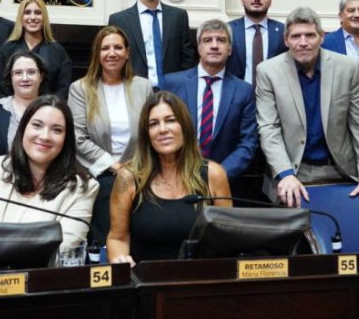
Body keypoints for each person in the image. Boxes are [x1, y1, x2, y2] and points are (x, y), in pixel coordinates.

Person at [256, 7, 359, 216]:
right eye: (296, 36)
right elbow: (269, 128)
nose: (303, 42)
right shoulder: (268, 71)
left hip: (340, 170)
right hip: (292, 170)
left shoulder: (348, 67)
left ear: (321, 37)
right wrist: (285, 174)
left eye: (310, 35)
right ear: (286, 40)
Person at [0, 95, 99, 251]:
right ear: (23, 129)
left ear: (66, 139)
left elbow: (62, 250)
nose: (44, 136)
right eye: (37, 125)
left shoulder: (82, 188)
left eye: (56, 130)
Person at [107, 92, 232, 265]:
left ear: (185, 126)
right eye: (153, 124)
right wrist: (122, 264)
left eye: (171, 120)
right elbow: (117, 238)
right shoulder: (127, 178)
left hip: (200, 278)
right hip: (144, 279)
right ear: (146, 134)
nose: (163, 129)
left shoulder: (214, 174)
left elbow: (226, 239)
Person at [68, 26, 152, 244]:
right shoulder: (80, 89)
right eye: (105, 48)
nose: (112, 53)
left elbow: (150, 133)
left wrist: (134, 169)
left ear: (127, 53)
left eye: (118, 47)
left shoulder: (143, 87)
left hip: (140, 174)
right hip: (100, 176)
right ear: (97, 54)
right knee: (108, 237)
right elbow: (77, 138)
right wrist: (115, 167)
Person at [164, 19, 257, 184]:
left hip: (223, 182)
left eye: (221, 40)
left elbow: (248, 143)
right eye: (208, 40)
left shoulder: (243, 91)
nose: (214, 46)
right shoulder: (172, 84)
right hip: (176, 178)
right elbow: (162, 132)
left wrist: (218, 175)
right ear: (199, 48)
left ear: (230, 49)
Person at [108, 0, 194, 89]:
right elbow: (114, 62)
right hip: (133, 92)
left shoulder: (178, 17)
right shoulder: (119, 20)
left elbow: (187, 60)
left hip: (172, 93)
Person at [0, 0, 73, 100]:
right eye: (27, 12)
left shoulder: (58, 52)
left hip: (47, 108)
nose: (32, 17)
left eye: (38, 13)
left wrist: (46, 107)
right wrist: (13, 107)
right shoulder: (6, 50)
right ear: (21, 17)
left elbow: (63, 91)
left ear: (44, 18)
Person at [0, 50, 47, 158]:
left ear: (41, 76)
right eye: (18, 73)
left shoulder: (52, 113)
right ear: (11, 78)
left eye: (31, 72)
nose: (25, 78)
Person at [227, 0, 287, 85]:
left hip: (273, 94)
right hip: (236, 94)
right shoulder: (227, 30)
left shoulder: (283, 31)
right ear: (242, 0)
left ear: (270, 1)